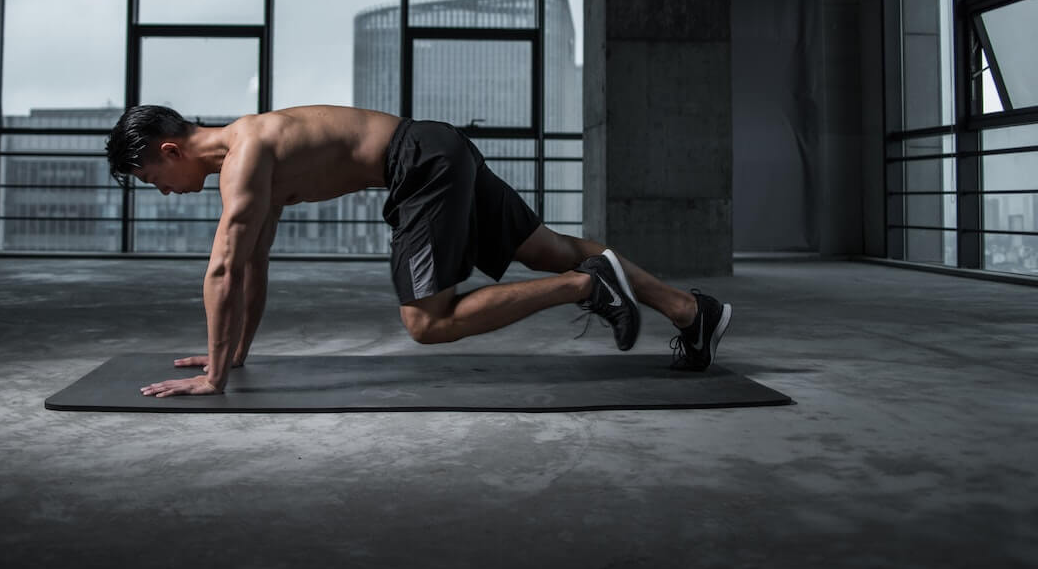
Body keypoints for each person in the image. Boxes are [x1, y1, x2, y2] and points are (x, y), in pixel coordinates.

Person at [105, 104, 732, 397]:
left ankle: (588, 287)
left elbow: (221, 268)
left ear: (169, 151)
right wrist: (233, 355)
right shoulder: (251, 153)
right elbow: (251, 264)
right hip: (436, 146)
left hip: (419, 163)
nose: (162, 192)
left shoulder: (244, 159)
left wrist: (214, 380)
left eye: (153, 181)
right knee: (549, 248)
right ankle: (689, 311)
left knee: (428, 322)